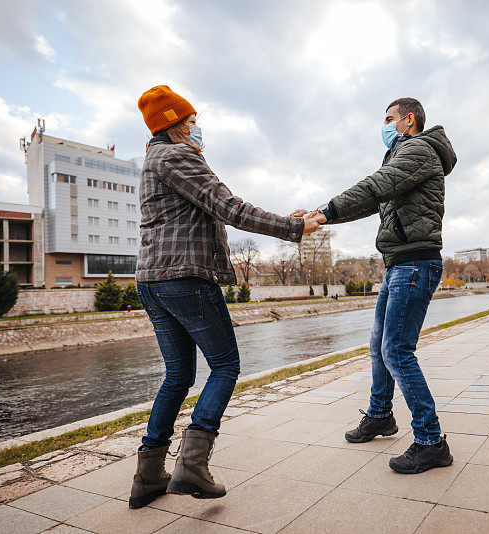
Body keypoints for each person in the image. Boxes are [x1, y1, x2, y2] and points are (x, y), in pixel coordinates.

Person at [129, 85, 320, 509]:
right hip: (185, 279)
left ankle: (147, 476)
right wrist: (293, 230)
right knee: (226, 365)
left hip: (153, 282)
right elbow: (227, 206)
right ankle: (191, 466)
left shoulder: (152, 160)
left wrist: (283, 221)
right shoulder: (177, 156)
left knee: (178, 376)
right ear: (175, 124)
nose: (197, 129)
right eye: (192, 121)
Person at [297, 97, 457, 474]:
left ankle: (431, 442)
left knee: (397, 350)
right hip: (399, 264)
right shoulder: (402, 154)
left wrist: (324, 211)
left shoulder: (418, 149)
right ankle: (381, 415)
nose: (384, 126)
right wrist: (321, 215)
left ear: (409, 119)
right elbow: (371, 200)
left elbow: (375, 186)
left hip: (415, 263)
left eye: (389, 119)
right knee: (378, 346)